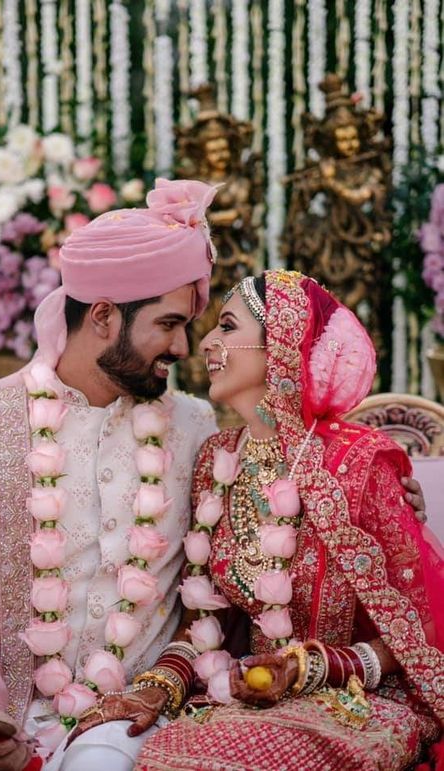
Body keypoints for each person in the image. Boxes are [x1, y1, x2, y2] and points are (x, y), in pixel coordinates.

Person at [0, 186, 426, 771]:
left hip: (142, 710)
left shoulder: (197, 430)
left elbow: (248, 554)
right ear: (104, 315)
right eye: (169, 324)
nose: (185, 347)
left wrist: (382, 490)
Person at [134, 271, 443, 771]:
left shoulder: (360, 461)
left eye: (227, 327)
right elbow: (206, 618)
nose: (206, 343)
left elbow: (418, 629)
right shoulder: (217, 459)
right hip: (252, 698)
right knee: (165, 750)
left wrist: (309, 666)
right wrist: (160, 684)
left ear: (280, 344)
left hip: (363, 697)